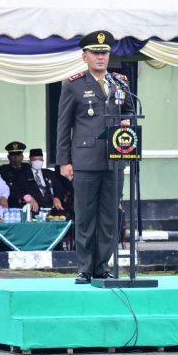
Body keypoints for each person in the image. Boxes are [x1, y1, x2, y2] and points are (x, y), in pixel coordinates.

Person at [56, 30, 134, 284]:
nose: (101, 57)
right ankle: (84, 267)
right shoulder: (74, 84)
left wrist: (127, 121)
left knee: (110, 216)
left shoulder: (120, 82)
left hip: (115, 159)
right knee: (86, 216)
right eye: (96, 53)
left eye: (104, 53)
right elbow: (63, 125)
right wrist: (64, 161)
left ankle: (102, 266)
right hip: (85, 160)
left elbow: (131, 112)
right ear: (85, 56)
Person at [26, 148, 66, 216]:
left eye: (40, 159)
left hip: (51, 208)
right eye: (35, 160)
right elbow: (19, 192)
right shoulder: (24, 175)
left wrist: (57, 197)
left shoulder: (50, 173)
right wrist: (29, 198)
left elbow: (59, 188)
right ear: (30, 161)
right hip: (33, 210)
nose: (38, 161)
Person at [0, 141, 34, 209]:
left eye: (18, 155)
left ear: (22, 156)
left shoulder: (28, 168)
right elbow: (9, 188)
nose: (16, 158)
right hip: (10, 204)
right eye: (13, 155)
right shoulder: (2, 170)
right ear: (8, 157)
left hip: (29, 204)